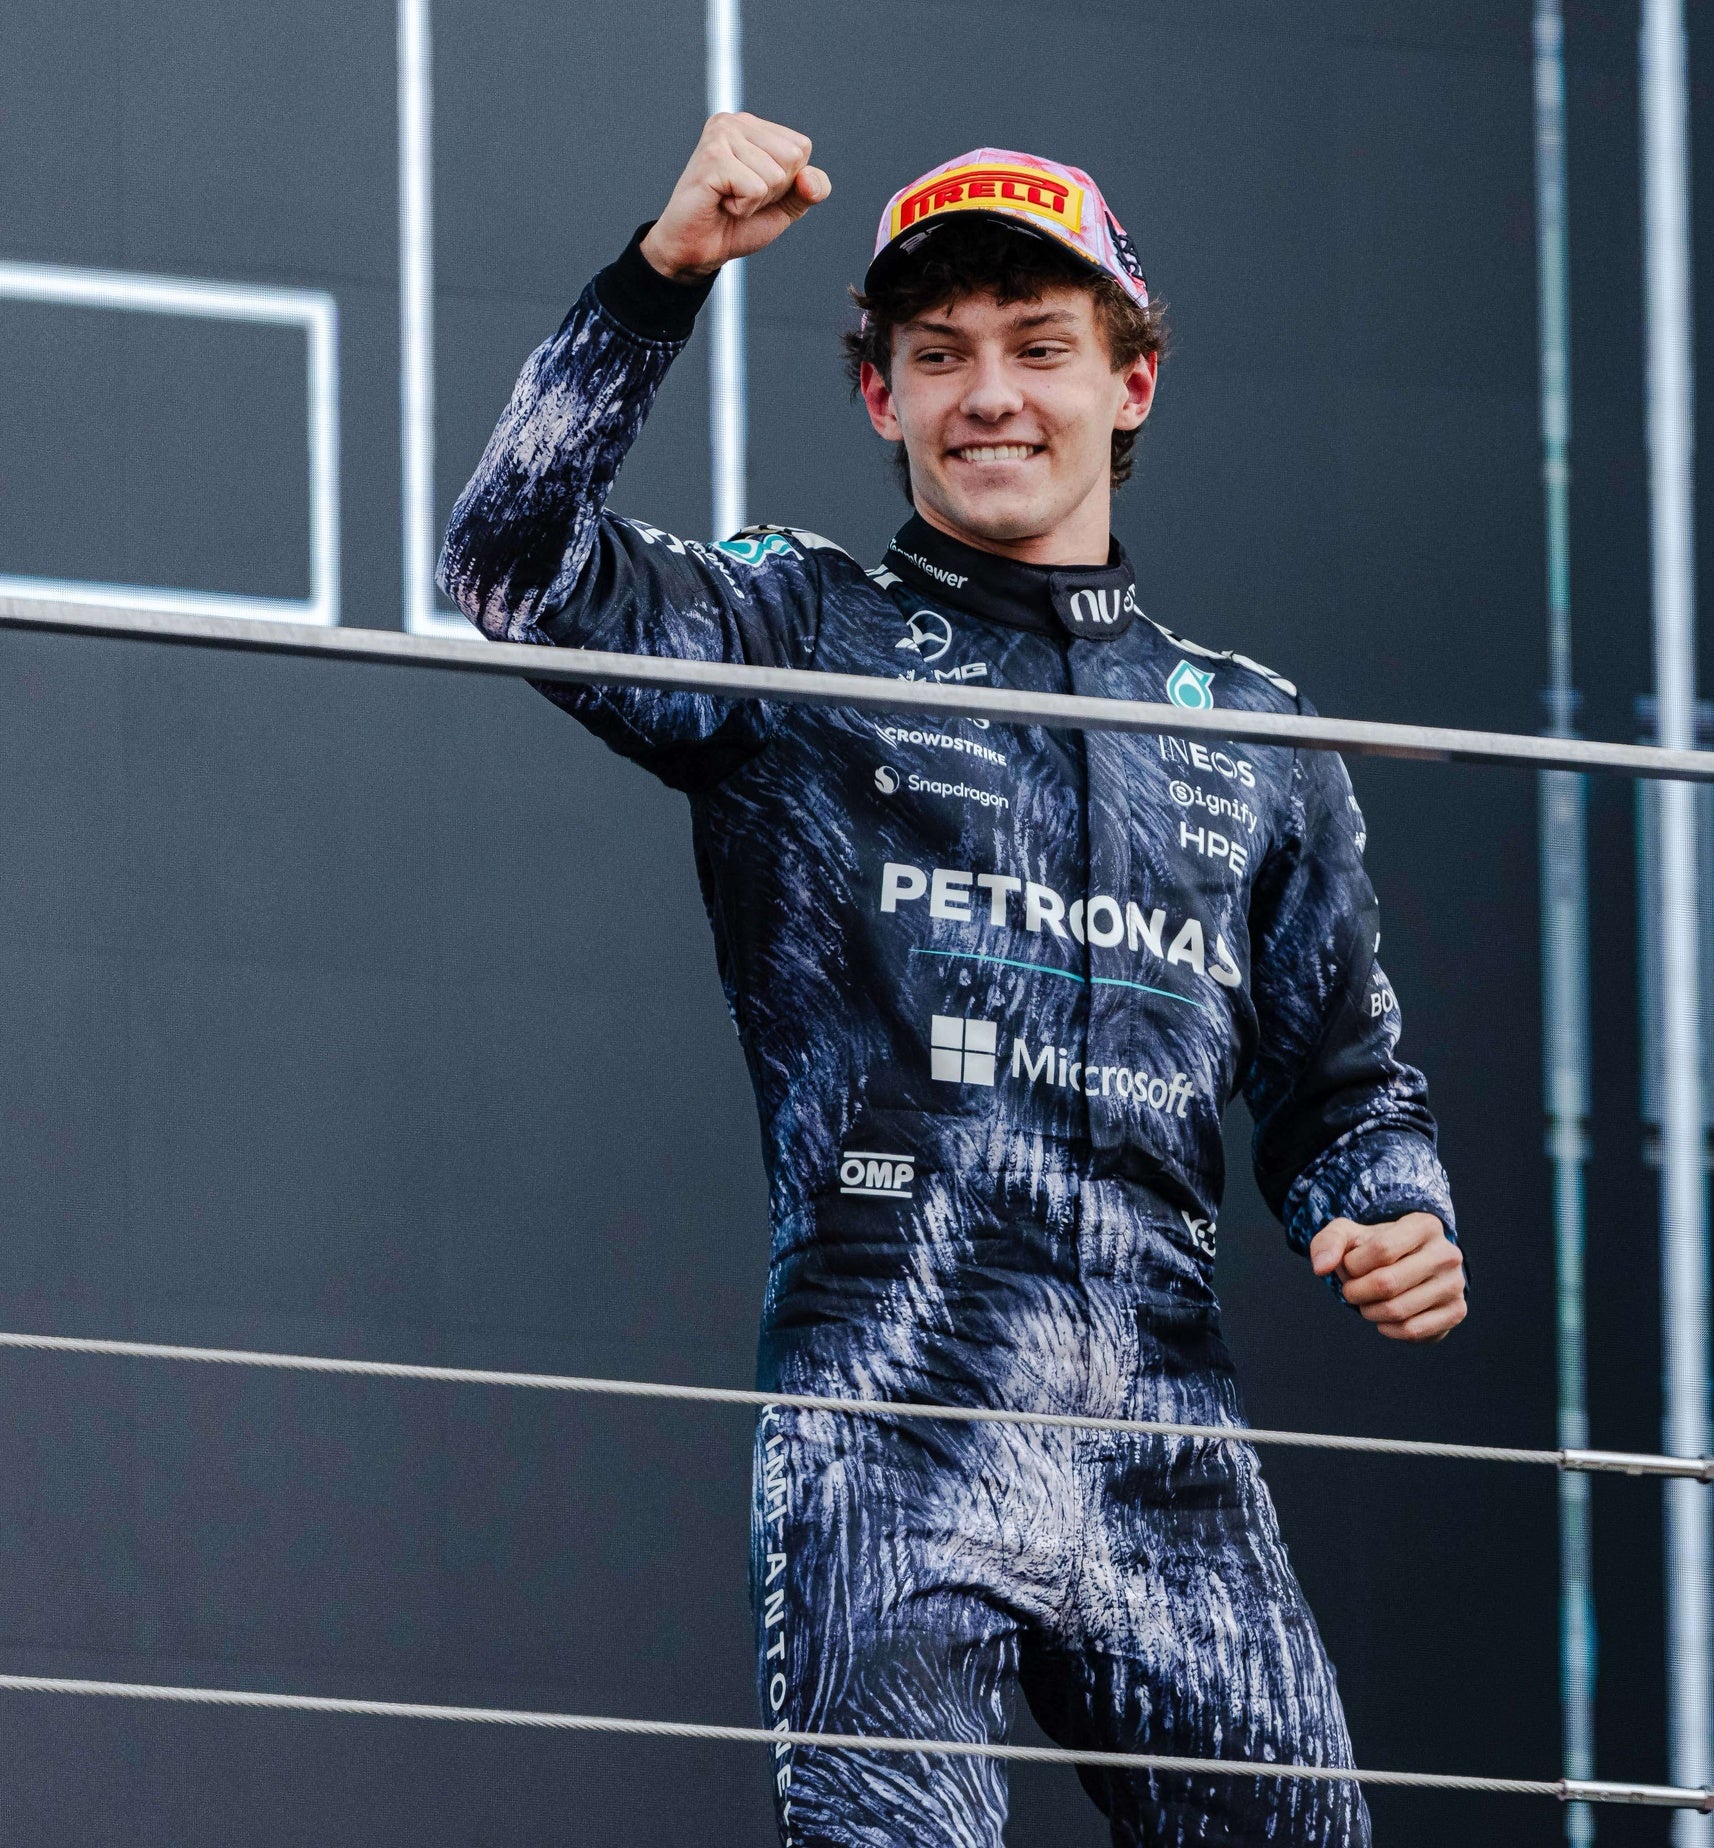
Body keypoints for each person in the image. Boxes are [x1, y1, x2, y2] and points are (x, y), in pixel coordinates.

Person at [444, 112, 1465, 1847]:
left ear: (1131, 385)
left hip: (1169, 1448)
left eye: (1039, 347)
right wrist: (663, 273)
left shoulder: (1255, 732)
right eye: (939, 354)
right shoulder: (802, 634)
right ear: (881, 397)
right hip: (889, 1420)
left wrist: (1390, 1207)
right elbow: (510, 567)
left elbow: (1341, 1087)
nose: (990, 394)